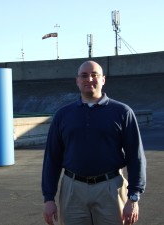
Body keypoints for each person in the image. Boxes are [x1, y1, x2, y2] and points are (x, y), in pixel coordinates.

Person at [42, 60, 146, 225]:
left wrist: (133, 198)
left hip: (111, 189)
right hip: (72, 190)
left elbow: (136, 157)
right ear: (77, 80)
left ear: (103, 79)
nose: (89, 79)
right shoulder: (63, 115)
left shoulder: (122, 112)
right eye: (84, 75)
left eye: (94, 75)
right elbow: (52, 159)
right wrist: (49, 198)